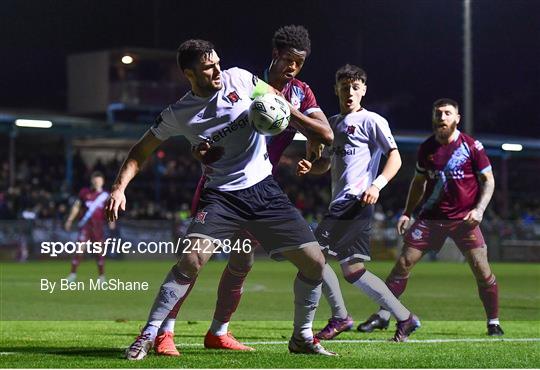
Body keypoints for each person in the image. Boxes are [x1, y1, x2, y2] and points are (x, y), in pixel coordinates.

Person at [106, 39, 336, 360]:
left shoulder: (240, 79)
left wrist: (298, 122)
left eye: (217, 62)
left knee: (315, 263)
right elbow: (139, 152)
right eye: (207, 67)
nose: (217, 71)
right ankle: (149, 333)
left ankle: (301, 336)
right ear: (189, 74)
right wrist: (119, 187)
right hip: (221, 197)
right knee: (191, 260)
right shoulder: (178, 113)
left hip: (263, 190)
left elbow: (275, 101)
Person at [358, 98, 503, 336]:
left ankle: (493, 322)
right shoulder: (427, 148)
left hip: (464, 220)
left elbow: (489, 181)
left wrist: (479, 210)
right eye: (438, 113)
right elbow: (418, 183)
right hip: (431, 219)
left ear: (457, 118)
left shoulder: (471, 146)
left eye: (447, 113)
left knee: (482, 269)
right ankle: (383, 315)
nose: (442, 118)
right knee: (402, 264)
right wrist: (407, 212)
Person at [297, 64, 420, 342]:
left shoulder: (372, 121)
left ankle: (340, 317)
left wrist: (376, 185)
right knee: (354, 271)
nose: (350, 92)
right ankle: (405, 317)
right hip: (341, 203)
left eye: (355, 87)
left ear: (364, 90)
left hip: (356, 202)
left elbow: (395, 158)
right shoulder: (332, 123)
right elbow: (326, 163)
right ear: (336, 89)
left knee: (312, 257)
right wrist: (310, 167)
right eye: (344, 87)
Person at [64, 171, 111, 283]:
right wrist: (70, 219)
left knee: (99, 251)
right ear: (92, 181)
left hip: (98, 226)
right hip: (85, 225)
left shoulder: (106, 196)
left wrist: (111, 220)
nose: (96, 183)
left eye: (99, 181)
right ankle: (72, 275)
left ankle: (101, 277)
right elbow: (76, 206)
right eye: (95, 181)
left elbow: (109, 210)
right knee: (80, 249)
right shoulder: (84, 193)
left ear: (102, 182)